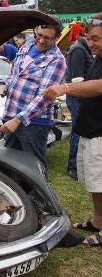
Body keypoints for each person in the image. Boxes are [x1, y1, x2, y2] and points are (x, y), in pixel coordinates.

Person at [41, 14, 102, 247]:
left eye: (95, 38)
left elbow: (98, 86)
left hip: (100, 133)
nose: (90, 43)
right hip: (91, 130)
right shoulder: (97, 57)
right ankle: (98, 220)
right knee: (96, 184)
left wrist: (65, 87)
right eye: (89, 37)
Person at [0, 23, 66, 174]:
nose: (40, 41)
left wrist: (18, 120)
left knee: (33, 170)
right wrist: (5, 87)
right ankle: (15, 196)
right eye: (39, 35)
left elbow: (45, 97)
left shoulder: (56, 60)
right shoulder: (26, 47)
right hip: (12, 117)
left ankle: (38, 198)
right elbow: (15, 74)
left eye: (47, 38)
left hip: (35, 123)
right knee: (10, 166)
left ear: (57, 37)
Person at [64, 31, 94, 180]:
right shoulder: (78, 50)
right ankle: (73, 167)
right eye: (92, 38)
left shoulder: (86, 49)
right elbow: (77, 79)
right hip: (77, 97)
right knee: (77, 131)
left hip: (84, 97)